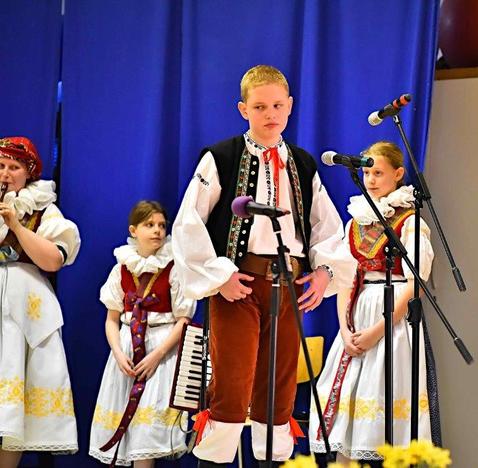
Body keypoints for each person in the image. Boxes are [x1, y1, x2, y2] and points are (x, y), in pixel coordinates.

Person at [172, 64, 355, 467]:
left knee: (279, 390)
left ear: (289, 106)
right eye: (259, 107)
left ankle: (272, 460)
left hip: (288, 287)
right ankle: (214, 460)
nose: (270, 114)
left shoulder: (303, 164)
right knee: (231, 387)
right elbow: (188, 224)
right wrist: (219, 276)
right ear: (243, 110)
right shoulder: (220, 157)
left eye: (276, 105)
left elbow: (326, 227)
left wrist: (325, 273)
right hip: (239, 286)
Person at [309, 141, 436, 465]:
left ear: (398, 173)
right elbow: (345, 279)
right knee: (349, 407)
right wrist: (345, 329)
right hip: (358, 314)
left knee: (384, 401)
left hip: (392, 321)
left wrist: (378, 331)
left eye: (378, 172)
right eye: (367, 173)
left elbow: (415, 286)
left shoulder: (410, 222)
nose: (371, 179)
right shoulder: (355, 222)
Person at [89, 200, 196, 466]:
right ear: (134, 230)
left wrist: (157, 355)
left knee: (147, 433)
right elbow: (111, 319)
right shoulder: (121, 269)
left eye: (161, 225)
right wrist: (117, 352)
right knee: (124, 422)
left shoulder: (174, 268)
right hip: (127, 347)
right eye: (149, 225)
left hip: (162, 348)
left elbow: (183, 319)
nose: (157, 230)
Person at [0, 137, 80, 467]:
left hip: (25, 317)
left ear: (28, 174)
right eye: (1, 166)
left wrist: (16, 226)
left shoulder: (43, 209)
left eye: (14, 167)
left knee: (14, 412)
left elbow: (53, 260)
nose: (6, 173)